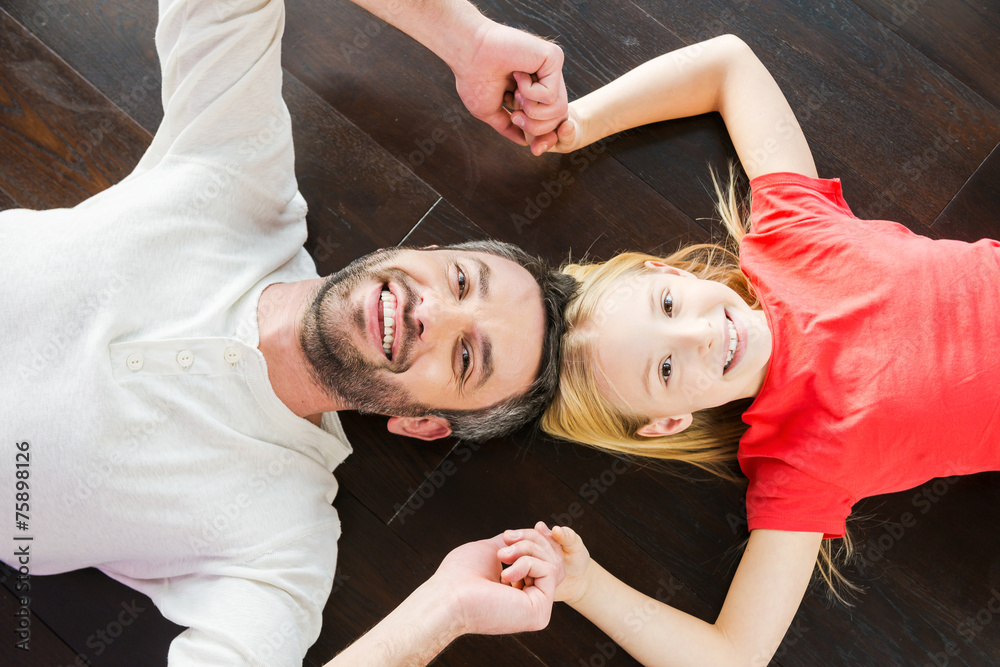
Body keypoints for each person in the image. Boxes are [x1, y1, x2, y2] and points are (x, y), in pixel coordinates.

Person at [0, 0, 574, 663]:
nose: (432, 312)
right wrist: (466, 40)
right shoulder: (242, 182)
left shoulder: (285, 539)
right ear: (424, 249)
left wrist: (447, 609)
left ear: (424, 423)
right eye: (463, 280)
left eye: (467, 355)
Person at [503, 34, 1000, 666]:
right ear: (668, 421)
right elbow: (734, 657)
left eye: (667, 306)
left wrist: (579, 122)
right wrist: (584, 584)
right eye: (664, 367)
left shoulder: (790, 234)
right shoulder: (796, 465)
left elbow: (727, 65)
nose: (699, 335)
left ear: (675, 274)